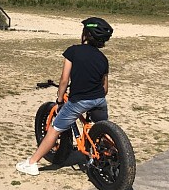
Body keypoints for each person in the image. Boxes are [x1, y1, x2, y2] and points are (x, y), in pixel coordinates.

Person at [16, 17, 114, 176]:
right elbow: (105, 88)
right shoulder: (103, 59)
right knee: (102, 126)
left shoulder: (73, 51)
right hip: (99, 100)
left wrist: (60, 99)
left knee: (54, 130)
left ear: (86, 34)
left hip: (78, 101)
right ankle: (116, 151)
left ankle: (32, 163)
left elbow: (64, 80)